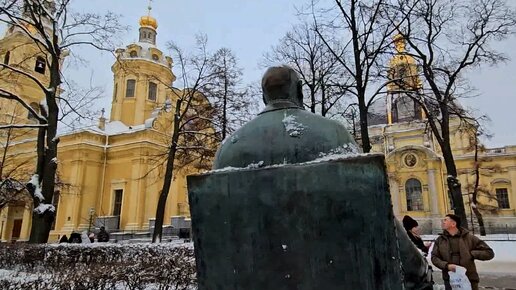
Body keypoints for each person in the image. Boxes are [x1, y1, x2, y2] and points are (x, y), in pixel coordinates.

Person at [431, 214, 494, 290]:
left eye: (445, 220)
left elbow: (489, 253)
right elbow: (434, 257)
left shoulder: (469, 238)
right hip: (450, 280)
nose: (442, 222)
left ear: (453, 224)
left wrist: (471, 254)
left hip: (469, 278)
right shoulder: (440, 240)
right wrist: (446, 266)